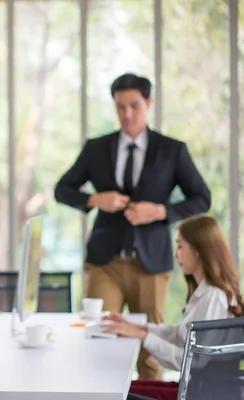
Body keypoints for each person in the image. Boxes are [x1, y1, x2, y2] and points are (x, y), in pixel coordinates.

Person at [54, 73, 211, 380]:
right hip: (104, 263)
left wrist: (160, 211)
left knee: (149, 352)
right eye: (120, 107)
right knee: (98, 341)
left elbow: (202, 198)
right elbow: (62, 190)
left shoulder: (172, 150)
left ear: (148, 103)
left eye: (134, 106)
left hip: (151, 264)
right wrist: (95, 199)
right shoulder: (96, 148)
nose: (127, 114)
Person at [103, 214, 244, 399]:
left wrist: (143, 336)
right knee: (119, 385)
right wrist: (138, 328)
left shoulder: (213, 297)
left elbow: (194, 361)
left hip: (199, 393)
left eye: (180, 246)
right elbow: (180, 334)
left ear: (198, 250)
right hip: (194, 387)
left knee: (114, 393)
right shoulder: (205, 291)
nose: (175, 254)